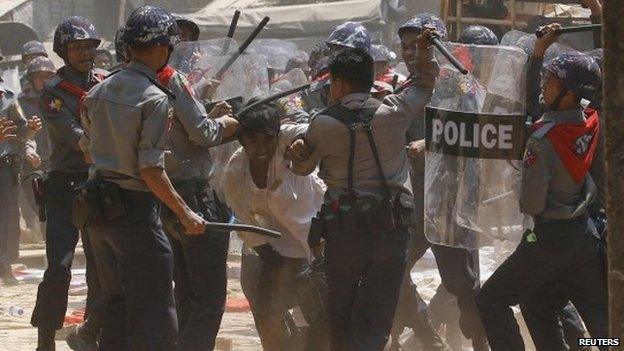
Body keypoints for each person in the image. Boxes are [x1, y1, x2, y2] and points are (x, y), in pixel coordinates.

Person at [287, 42, 435, 351]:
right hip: (392, 230)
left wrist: (296, 148)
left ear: (339, 83)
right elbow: (424, 84)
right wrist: (423, 52)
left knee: (339, 314)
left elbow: (302, 168)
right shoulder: (396, 109)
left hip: (344, 233)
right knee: (376, 319)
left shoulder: (323, 123)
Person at [80, 6, 207, 350]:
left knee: (118, 304)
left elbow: (87, 150)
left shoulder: (96, 93)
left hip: (95, 210)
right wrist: (185, 213)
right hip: (134, 212)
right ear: (162, 47)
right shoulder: (154, 98)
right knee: (156, 311)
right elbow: (150, 170)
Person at [476, 51, 608, 351]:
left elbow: (531, 205)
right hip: (584, 235)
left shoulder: (542, 140)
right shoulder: (590, 122)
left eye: (549, 82)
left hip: (550, 239)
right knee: (588, 319)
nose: (544, 87)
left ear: (569, 92)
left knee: (490, 300)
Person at [152, 32, 239, 350]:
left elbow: (177, 131)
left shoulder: (134, 83)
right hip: (194, 195)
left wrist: (203, 108)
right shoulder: (173, 80)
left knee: (185, 289)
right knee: (209, 297)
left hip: (164, 194)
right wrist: (228, 123)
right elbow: (202, 134)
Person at [222, 100, 326, 351]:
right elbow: (247, 226)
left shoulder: (286, 141)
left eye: (267, 139)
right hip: (273, 246)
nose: (261, 148)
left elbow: (311, 131)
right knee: (266, 306)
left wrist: (301, 142)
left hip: (318, 235)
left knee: (321, 310)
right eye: (253, 141)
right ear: (243, 142)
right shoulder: (234, 175)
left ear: (277, 135)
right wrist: (277, 265)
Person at [30, 16, 107, 351]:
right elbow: (77, 139)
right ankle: (46, 337)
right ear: (63, 51)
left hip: (100, 182)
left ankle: (90, 335)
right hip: (65, 184)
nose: (84, 53)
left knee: (101, 268)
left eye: (88, 46)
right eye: (77, 47)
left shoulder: (106, 83)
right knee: (59, 268)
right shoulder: (52, 94)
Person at [0, 83, 38, 285]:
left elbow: (22, 131)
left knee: (7, 220)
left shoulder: (8, 97)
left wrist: (30, 129)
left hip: (6, 167)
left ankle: (5, 267)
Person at [16, 57, 56, 240]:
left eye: (49, 76)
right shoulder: (22, 102)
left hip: (56, 157)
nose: (44, 80)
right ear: (32, 78)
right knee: (35, 202)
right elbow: (18, 130)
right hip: (31, 158)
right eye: (40, 76)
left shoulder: (58, 97)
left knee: (56, 201)